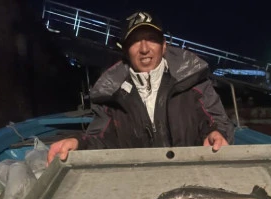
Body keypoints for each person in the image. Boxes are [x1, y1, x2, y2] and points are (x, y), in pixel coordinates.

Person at [47, 11, 234, 164]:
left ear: (164, 46)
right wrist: (78, 142)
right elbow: (101, 140)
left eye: (151, 39)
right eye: (135, 41)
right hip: (137, 180)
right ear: (125, 51)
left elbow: (217, 121)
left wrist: (216, 133)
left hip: (194, 172)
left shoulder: (194, 81)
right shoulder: (110, 95)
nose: (144, 48)